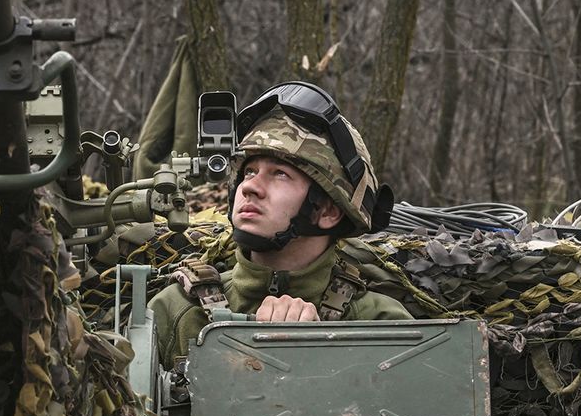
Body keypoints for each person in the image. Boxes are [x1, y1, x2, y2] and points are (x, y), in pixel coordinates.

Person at [150, 81, 412, 366]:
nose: (251, 187)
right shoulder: (176, 311)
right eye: (249, 171)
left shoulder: (381, 324)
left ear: (328, 211)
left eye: (280, 174)